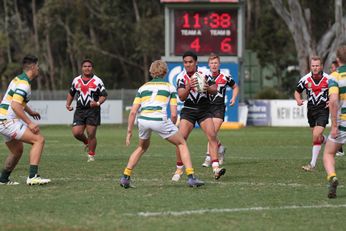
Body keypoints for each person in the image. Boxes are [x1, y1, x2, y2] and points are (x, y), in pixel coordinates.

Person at [119, 60, 204, 188]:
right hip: (159, 120)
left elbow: (133, 112)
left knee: (141, 147)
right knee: (181, 143)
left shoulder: (143, 87)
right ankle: (191, 177)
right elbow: (174, 114)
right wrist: (172, 126)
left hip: (143, 120)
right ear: (165, 72)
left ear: (151, 72)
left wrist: (129, 132)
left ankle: (126, 177)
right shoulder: (169, 87)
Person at [172, 51, 226, 181]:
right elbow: (181, 96)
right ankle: (179, 169)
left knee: (212, 136)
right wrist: (189, 87)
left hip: (204, 109)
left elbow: (215, 89)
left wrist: (206, 87)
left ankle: (216, 168)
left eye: (190, 62)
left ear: (196, 62)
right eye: (185, 62)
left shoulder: (205, 73)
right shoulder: (181, 76)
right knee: (181, 139)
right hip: (189, 110)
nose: (188, 64)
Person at [0, 55, 50, 185]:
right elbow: (15, 106)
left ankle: (3, 179)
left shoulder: (18, 79)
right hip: (8, 121)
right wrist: (30, 123)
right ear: (33, 67)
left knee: (17, 151)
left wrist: (30, 112)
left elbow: (17, 101)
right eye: (38, 66)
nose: (38, 69)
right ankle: (33, 177)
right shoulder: (24, 84)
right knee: (39, 140)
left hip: (2, 119)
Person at [66, 59, 107, 162]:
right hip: (80, 110)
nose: (87, 68)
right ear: (81, 68)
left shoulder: (97, 81)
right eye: (85, 66)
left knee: (91, 133)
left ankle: (91, 155)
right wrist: (68, 104)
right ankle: (86, 142)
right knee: (76, 133)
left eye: (89, 66)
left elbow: (104, 95)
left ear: (92, 68)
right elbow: (71, 93)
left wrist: (97, 103)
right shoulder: (76, 80)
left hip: (93, 110)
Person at [202, 54, 239, 167]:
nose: (214, 65)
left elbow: (235, 87)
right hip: (206, 107)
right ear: (209, 64)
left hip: (219, 107)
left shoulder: (225, 76)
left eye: (216, 63)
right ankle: (220, 148)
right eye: (212, 63)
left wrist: (233, 98)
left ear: (219, 64)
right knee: (210, 133)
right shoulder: (204, 76)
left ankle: (209, 157)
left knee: (212, 132)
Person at [294, 56, 330, 171]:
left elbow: (336, 92)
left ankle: (312, 164)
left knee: (316, 135)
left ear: (321, 66)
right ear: (311, 66)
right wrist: (298, 100)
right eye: (313, 66)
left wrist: (332, 100)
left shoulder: (329, 79)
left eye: (317, 65)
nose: (315, 68)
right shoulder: (305, 79)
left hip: (323, 110)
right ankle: (332, 142)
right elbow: (297, 91)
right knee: (316, 136)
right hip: (311, 110)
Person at [323, 45, 346, 198]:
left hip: (343, 122)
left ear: (337, 59)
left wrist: (334, 126)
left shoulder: (334, 76)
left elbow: (332, 101)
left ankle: (332, 176)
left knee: (329, 153)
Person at [330, 60, 344, 157]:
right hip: (337, 109)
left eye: (333, 67)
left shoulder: (335, 76)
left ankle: (337, 150)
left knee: (327, 154)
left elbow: (334, 99)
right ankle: (339, 150)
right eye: (331, 68)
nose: (332, 69)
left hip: (340, 111)